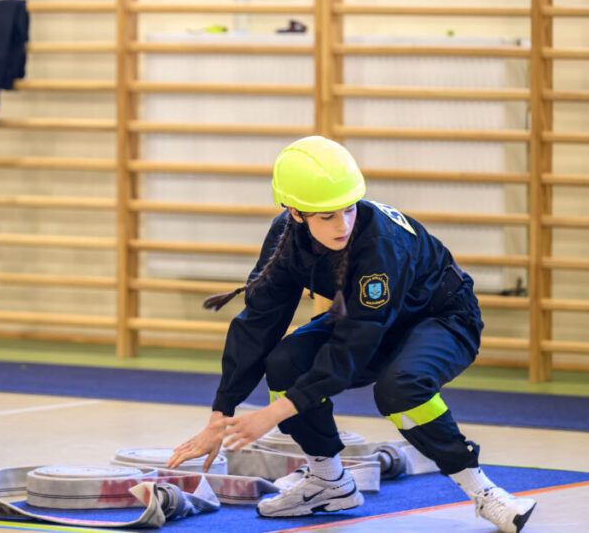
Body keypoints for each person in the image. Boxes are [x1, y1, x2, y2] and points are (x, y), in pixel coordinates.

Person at [166, 136, 536, 533]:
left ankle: (485, 493)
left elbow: (353, 347)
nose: (342, 225)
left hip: (443, 318)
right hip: (368, 319)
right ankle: (329, 482)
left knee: (400, 388)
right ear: (295, 213)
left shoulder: (381, 244)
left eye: (349, 209)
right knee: (285, 361)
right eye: (327, 216)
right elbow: (258, 323)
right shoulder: (284, 239)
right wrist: (220, 415)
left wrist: (272, 415)